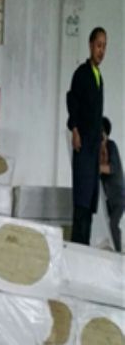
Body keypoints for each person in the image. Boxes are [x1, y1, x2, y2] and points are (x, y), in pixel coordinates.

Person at [66, 27, 107, 245]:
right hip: (83, 145)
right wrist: (74, 130)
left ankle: (85, 248)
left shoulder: (99, 77)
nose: (101, 50)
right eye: (99, 45)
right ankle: (76, 248)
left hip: (93, 148)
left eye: (104, 46)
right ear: (90, 45)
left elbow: (97, 115)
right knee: (81, 201)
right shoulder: (81, 73)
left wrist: (102, 142)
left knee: (90, 202)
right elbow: (72, 100)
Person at [100, 117, 123, 252]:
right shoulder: (99, 150)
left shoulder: (111, 146)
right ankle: (114, 251)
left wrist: (95, 167)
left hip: (119, 197)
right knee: (108, 226)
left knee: (113, 225)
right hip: (108, 198)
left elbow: (111, 168)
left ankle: (119, 254)